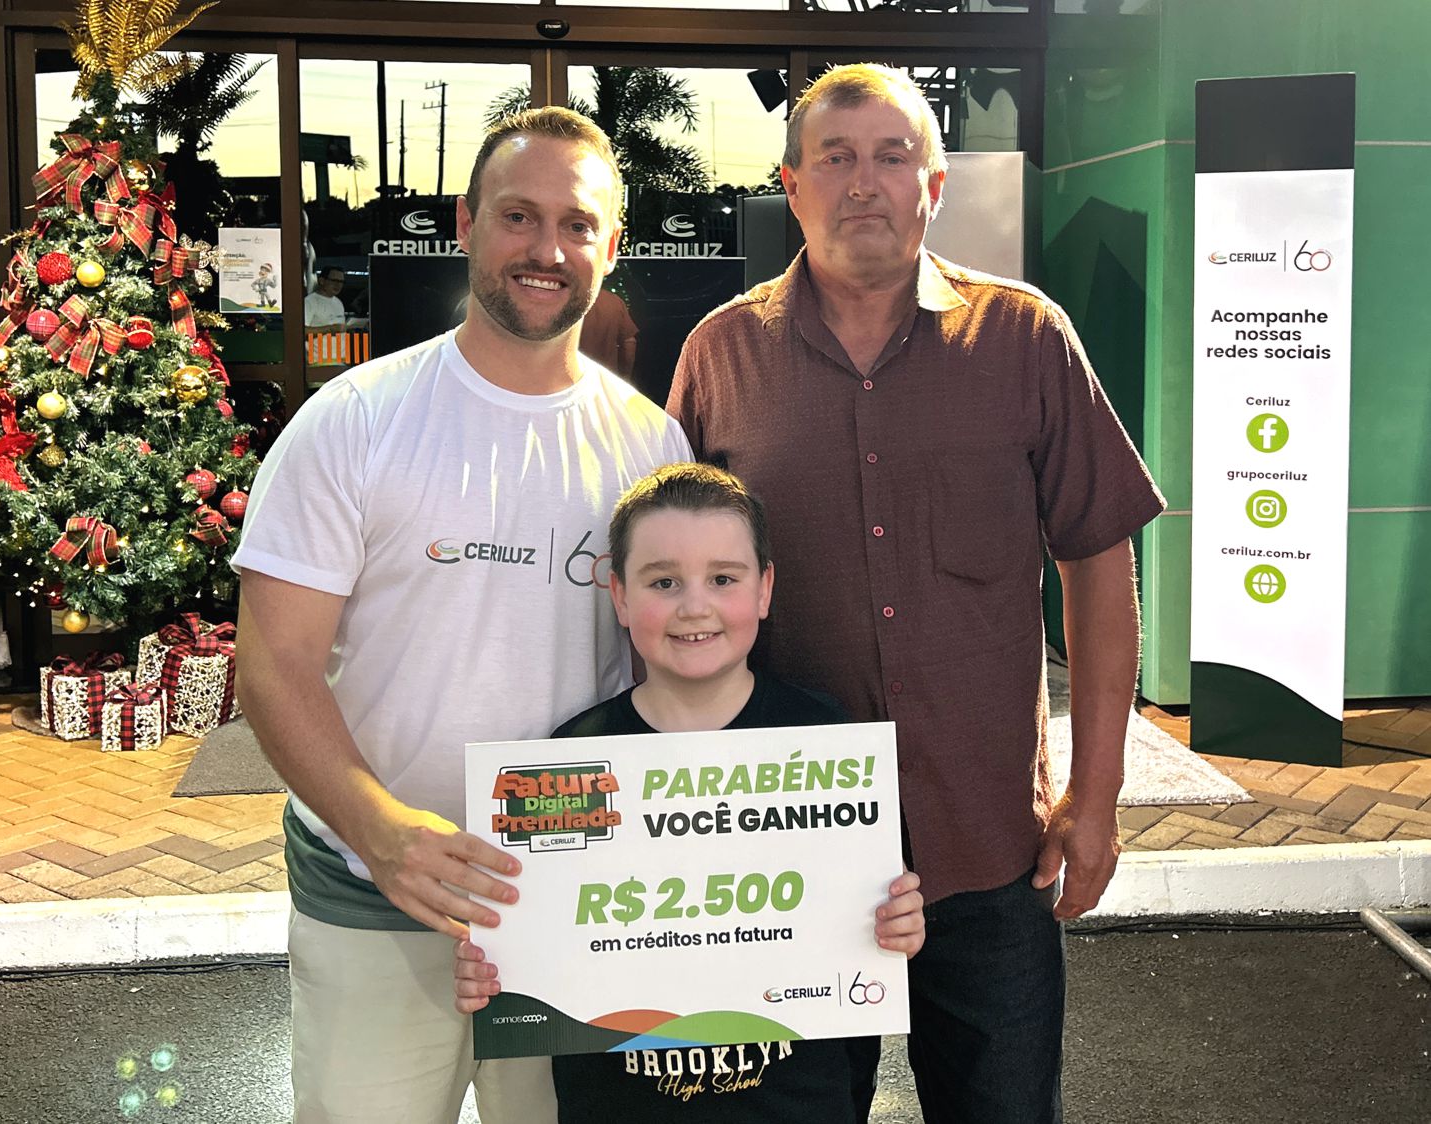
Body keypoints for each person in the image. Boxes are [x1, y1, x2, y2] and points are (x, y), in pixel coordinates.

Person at [665, 64, 1166, 1124]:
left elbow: (1098, 562)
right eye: (836, 158)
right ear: (791, 185)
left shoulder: (1025, 339)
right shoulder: (722, 355)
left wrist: (1096, 797)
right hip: (785, 859)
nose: (865, 182)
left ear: (934, 183)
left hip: (989, 850)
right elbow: (670, 600)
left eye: (893, 156)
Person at [232, 107, 693, 1124]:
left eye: (577, 224)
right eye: (518, 216)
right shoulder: (354, 421)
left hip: (575, 901)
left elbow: (678, 670)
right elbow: (273, 667)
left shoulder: (652, 446)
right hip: (374, 894)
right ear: (466, 223)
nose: (546, 249)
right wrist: (382, 832)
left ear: (611, 246)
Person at [454, 461, 924, 1122]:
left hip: (798, 1104)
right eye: (663, 582)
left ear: (764, 589)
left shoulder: (827, 739)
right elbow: (531, 942)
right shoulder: (567, 760)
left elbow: (876, 909)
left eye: (723, 579)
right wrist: (496, 969)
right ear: (619, 596)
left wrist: (898, 925)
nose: (694, 606)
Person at [578, 285, 639, 377]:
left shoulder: (563, 300)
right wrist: (625, 376)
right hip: (607, 377)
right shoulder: (613, 301)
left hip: (571, 378)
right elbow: (629, 343)